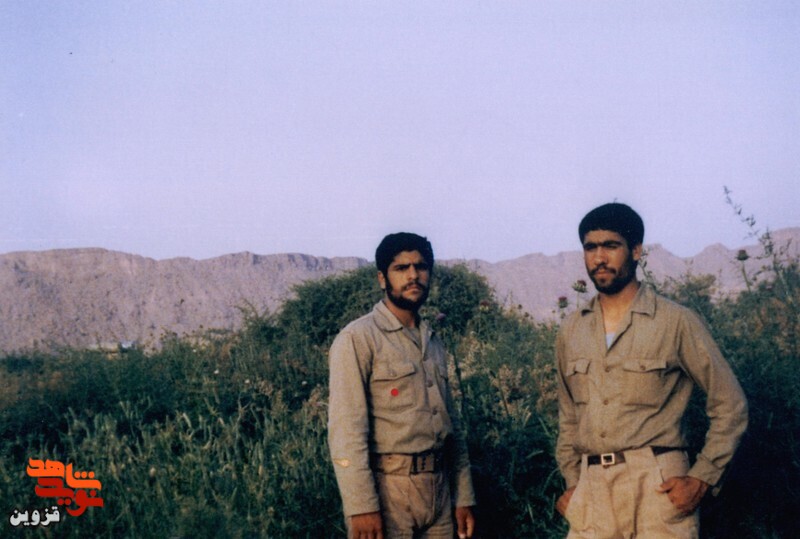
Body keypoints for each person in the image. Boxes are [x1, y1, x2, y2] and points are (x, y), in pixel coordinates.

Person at [554, 203, 748, 538]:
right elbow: (569, 417)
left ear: (636, 251)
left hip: (657, 486)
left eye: (611, 246)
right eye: (590, 247)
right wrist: (573, 483)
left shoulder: (675, 321)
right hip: (592, 491)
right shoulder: (571, 330)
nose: (599, 258)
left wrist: (702, 477)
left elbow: (730, 404)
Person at [328, 232, 476, 539]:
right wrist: (361, 507)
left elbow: (453, 427)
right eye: (401, 268)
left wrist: (463, 496)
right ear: (382, 278)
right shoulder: (358, 338)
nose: (413, 276)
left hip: (439, 490)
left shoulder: (432, 340)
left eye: (420, 267)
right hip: (388, 492)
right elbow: (346, 431)